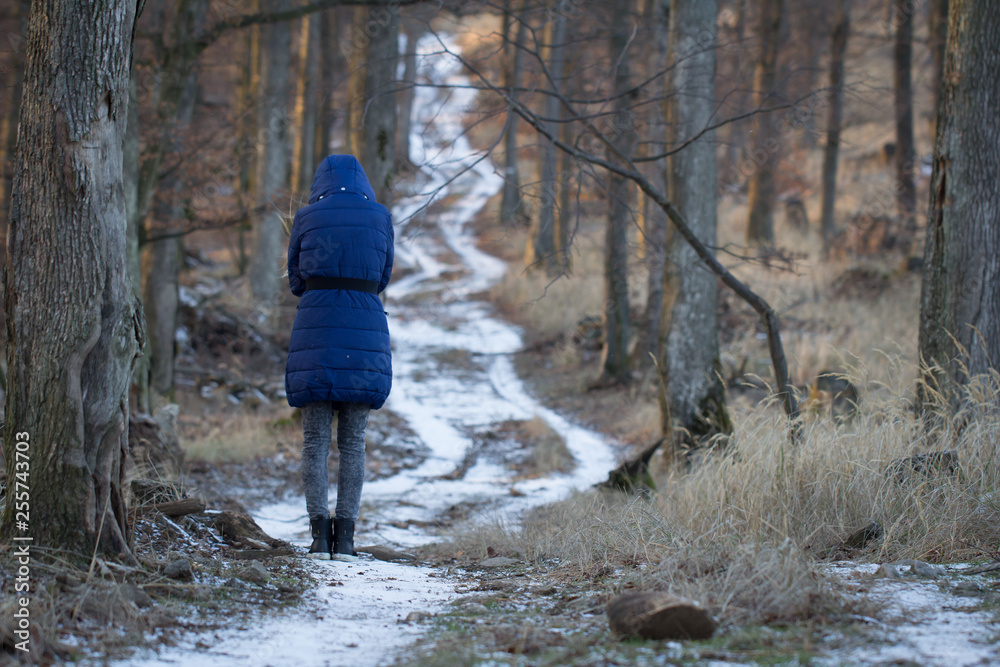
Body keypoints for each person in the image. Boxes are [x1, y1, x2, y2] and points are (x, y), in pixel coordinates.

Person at [284, 154, 394, 561]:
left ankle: (318, 536)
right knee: (354, 442)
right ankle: (346, 538)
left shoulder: (307, 216)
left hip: (316, 329)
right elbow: (383, 276)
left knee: (314, 440)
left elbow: (295, 278)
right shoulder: (380, 216)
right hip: (365, 332)